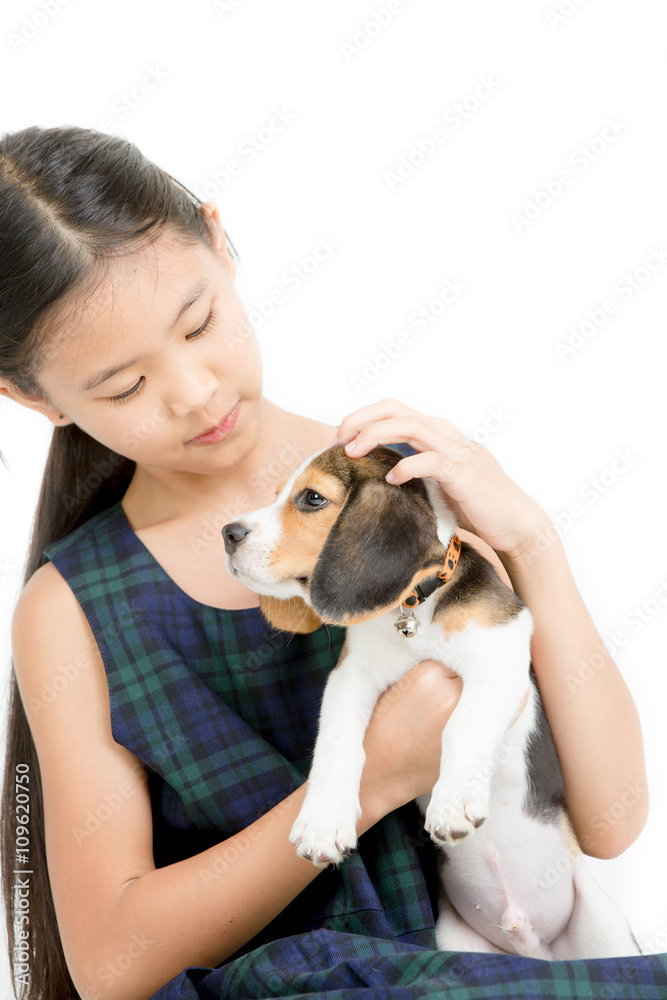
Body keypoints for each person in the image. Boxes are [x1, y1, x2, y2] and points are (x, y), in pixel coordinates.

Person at [0, 125, 656, 1000]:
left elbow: (610, 822)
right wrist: (373, 776)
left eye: (199, 324)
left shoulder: (404, 483)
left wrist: (532, 541)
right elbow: (114, 966)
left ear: (220, 238)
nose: (194, 393)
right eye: (124, 387)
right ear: (33, 398)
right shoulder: (75, 606)